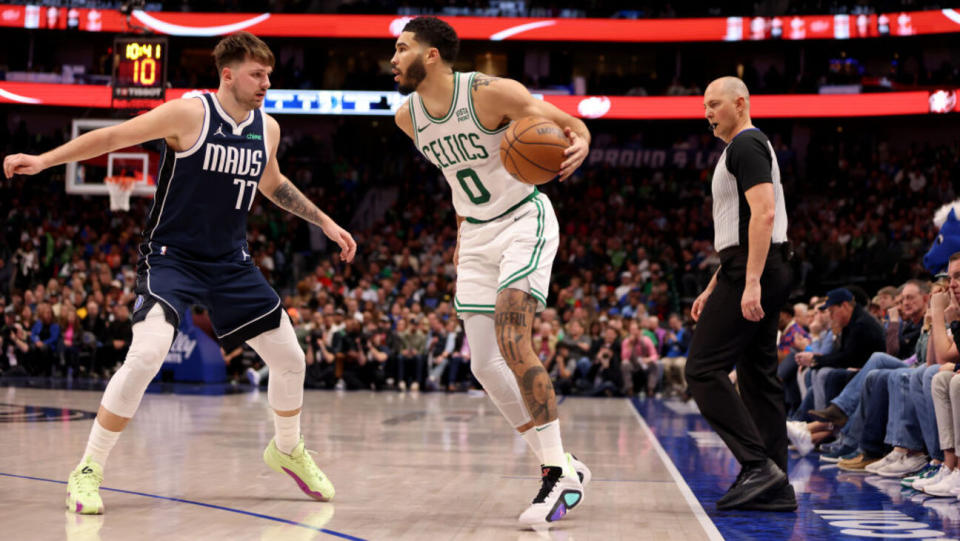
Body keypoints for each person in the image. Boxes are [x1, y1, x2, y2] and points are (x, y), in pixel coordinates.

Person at [3, 31, 357, 515]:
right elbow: (113, 137)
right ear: (227, 74)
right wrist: (43, 160)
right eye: (257, 74)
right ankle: (88, 469)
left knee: (291, 357)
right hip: (172, 257)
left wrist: (326, 221)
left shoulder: (266, 128)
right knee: (147, 355)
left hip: (231, 261)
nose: (266, 83)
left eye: (269, 74)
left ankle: (287, 449)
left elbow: (272, 183)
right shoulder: (189, 113)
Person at [391, 16, 590, 525]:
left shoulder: (489, 93)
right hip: (476, 233)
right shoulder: (407, 118)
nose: (393, 58)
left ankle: (555, 475)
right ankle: (562, 464)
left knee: (513, 340)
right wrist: (461, 231)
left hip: (524, 217)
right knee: (483, 363)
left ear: (431, 55)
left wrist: (582, 137)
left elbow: (564, 121)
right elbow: (460, 177)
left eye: (402, 47)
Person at [684, 76, 794, 512]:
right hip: (755, 263)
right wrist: (717, 282)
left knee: (702, 369)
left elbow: (764, 213)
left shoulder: (746, 145)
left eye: (714, 104)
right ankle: (776, 486)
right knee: (758, 377)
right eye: (705, 106)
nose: (707, 113)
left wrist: (750, 281)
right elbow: (741, 225)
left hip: (758, 267)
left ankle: (756, 465)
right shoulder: (744, 147)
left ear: (740, 103)